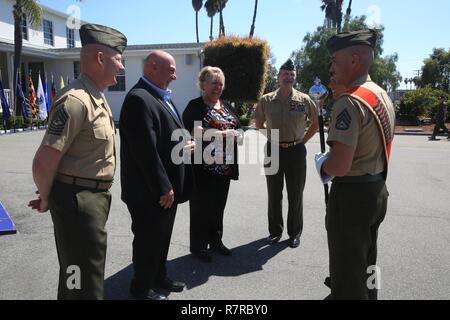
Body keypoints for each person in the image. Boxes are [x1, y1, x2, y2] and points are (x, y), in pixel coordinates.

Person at [28, 23, 127, 300]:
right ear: (100, 58)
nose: (121, 66)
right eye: (118, 59)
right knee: (85, 281)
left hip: (89, 200)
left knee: (76, 274)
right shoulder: (76, 101)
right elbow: (43, 162)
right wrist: (46, 198)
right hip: (79, 202)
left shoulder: (96, 97)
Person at [315, 29, 396, 299]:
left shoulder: (349, 102)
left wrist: (321, 166)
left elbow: (338, 166)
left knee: (347, 274)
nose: (331, 68)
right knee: (368, 262)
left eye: (335, 61)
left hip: (352, 199)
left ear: (354, 60)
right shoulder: (380, 94)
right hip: (376, 191)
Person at [119, 50, 194, 300]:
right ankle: (141, 288)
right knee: (147, 241)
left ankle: (159, 278)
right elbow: (145, 151)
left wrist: (183, 143)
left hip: (164, 189)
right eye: (170, 69)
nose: (174, 75)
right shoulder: (139, 99)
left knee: (161, 238)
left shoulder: (159, 96)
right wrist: (163, 187)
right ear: (152, 67)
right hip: (149, 192)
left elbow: (163, 136)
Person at [254, 59, 319, 248]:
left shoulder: (304, 100)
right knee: (274, 194)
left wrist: (302, 141)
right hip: (273, 150)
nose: (288, 77)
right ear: (279, 76)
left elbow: (315, 124)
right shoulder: (266, 100)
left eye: (291, 74)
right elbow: (258, 124)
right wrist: (272, 138)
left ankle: (294, 232)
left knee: (295, 194)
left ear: (295, 77)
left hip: (296, 151)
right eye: (285, 74)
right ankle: (275, 231)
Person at [182, 66, 241, 263]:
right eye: (214, 82)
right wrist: (225, 134)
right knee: (200, 207)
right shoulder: (195, 106)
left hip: (225, 167)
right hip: (203, 167)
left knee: (218, 206)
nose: (218, 87)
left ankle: (216, 241)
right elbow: (196, 132)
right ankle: (198, 246)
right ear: (203, 84)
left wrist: (238, 135)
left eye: (220, 83)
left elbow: (238, 127)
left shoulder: (226, 106)